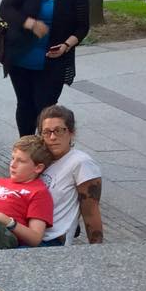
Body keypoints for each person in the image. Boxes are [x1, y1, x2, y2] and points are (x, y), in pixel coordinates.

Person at [0, 0, 89, 137]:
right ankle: (27, 146)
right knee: (25, 105)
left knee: (46, 109)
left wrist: (66, 45)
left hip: (53, 60)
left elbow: (83, 26)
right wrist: (31, 23)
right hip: (21, 58)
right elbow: (5, 10)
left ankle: (47, 148)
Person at [37, 105, 104, 245]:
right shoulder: (38, 159)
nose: (53, 137)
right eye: (46, 132)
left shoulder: (81, 163)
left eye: (59, 130)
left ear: (71, 132)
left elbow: (90, 213)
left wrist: (97, 254)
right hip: (24, 232)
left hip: (52, 239)